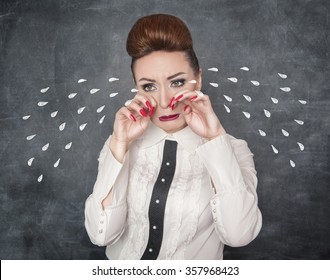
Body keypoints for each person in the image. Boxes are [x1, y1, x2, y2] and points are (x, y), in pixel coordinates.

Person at [84, 13, 262, 260]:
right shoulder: (119, 144)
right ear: (137, 88)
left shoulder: (234, 150)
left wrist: (215, 138)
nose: (166, 102)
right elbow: (101, 236)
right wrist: (119, 144)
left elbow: (238, 235)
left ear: (197, 79)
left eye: (177, 82)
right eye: (149, 86)